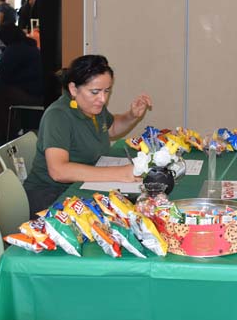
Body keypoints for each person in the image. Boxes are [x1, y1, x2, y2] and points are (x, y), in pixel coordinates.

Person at [23, 55, 152, 215]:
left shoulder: (93, 107)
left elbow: (110, 128)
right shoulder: (58, 116)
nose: (103, 99)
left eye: (107, 91)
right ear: (73, 89)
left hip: (81, 186)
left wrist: (131, 115)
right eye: (95, 92)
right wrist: (121, 173)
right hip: (51, 196)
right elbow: (58, 171)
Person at [0, 24, 45, 142]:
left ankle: (6, 133)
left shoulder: (14, 49)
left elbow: (2, 73)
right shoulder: (29, 45)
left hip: (31, 94)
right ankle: (10, 130)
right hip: (39, 90)